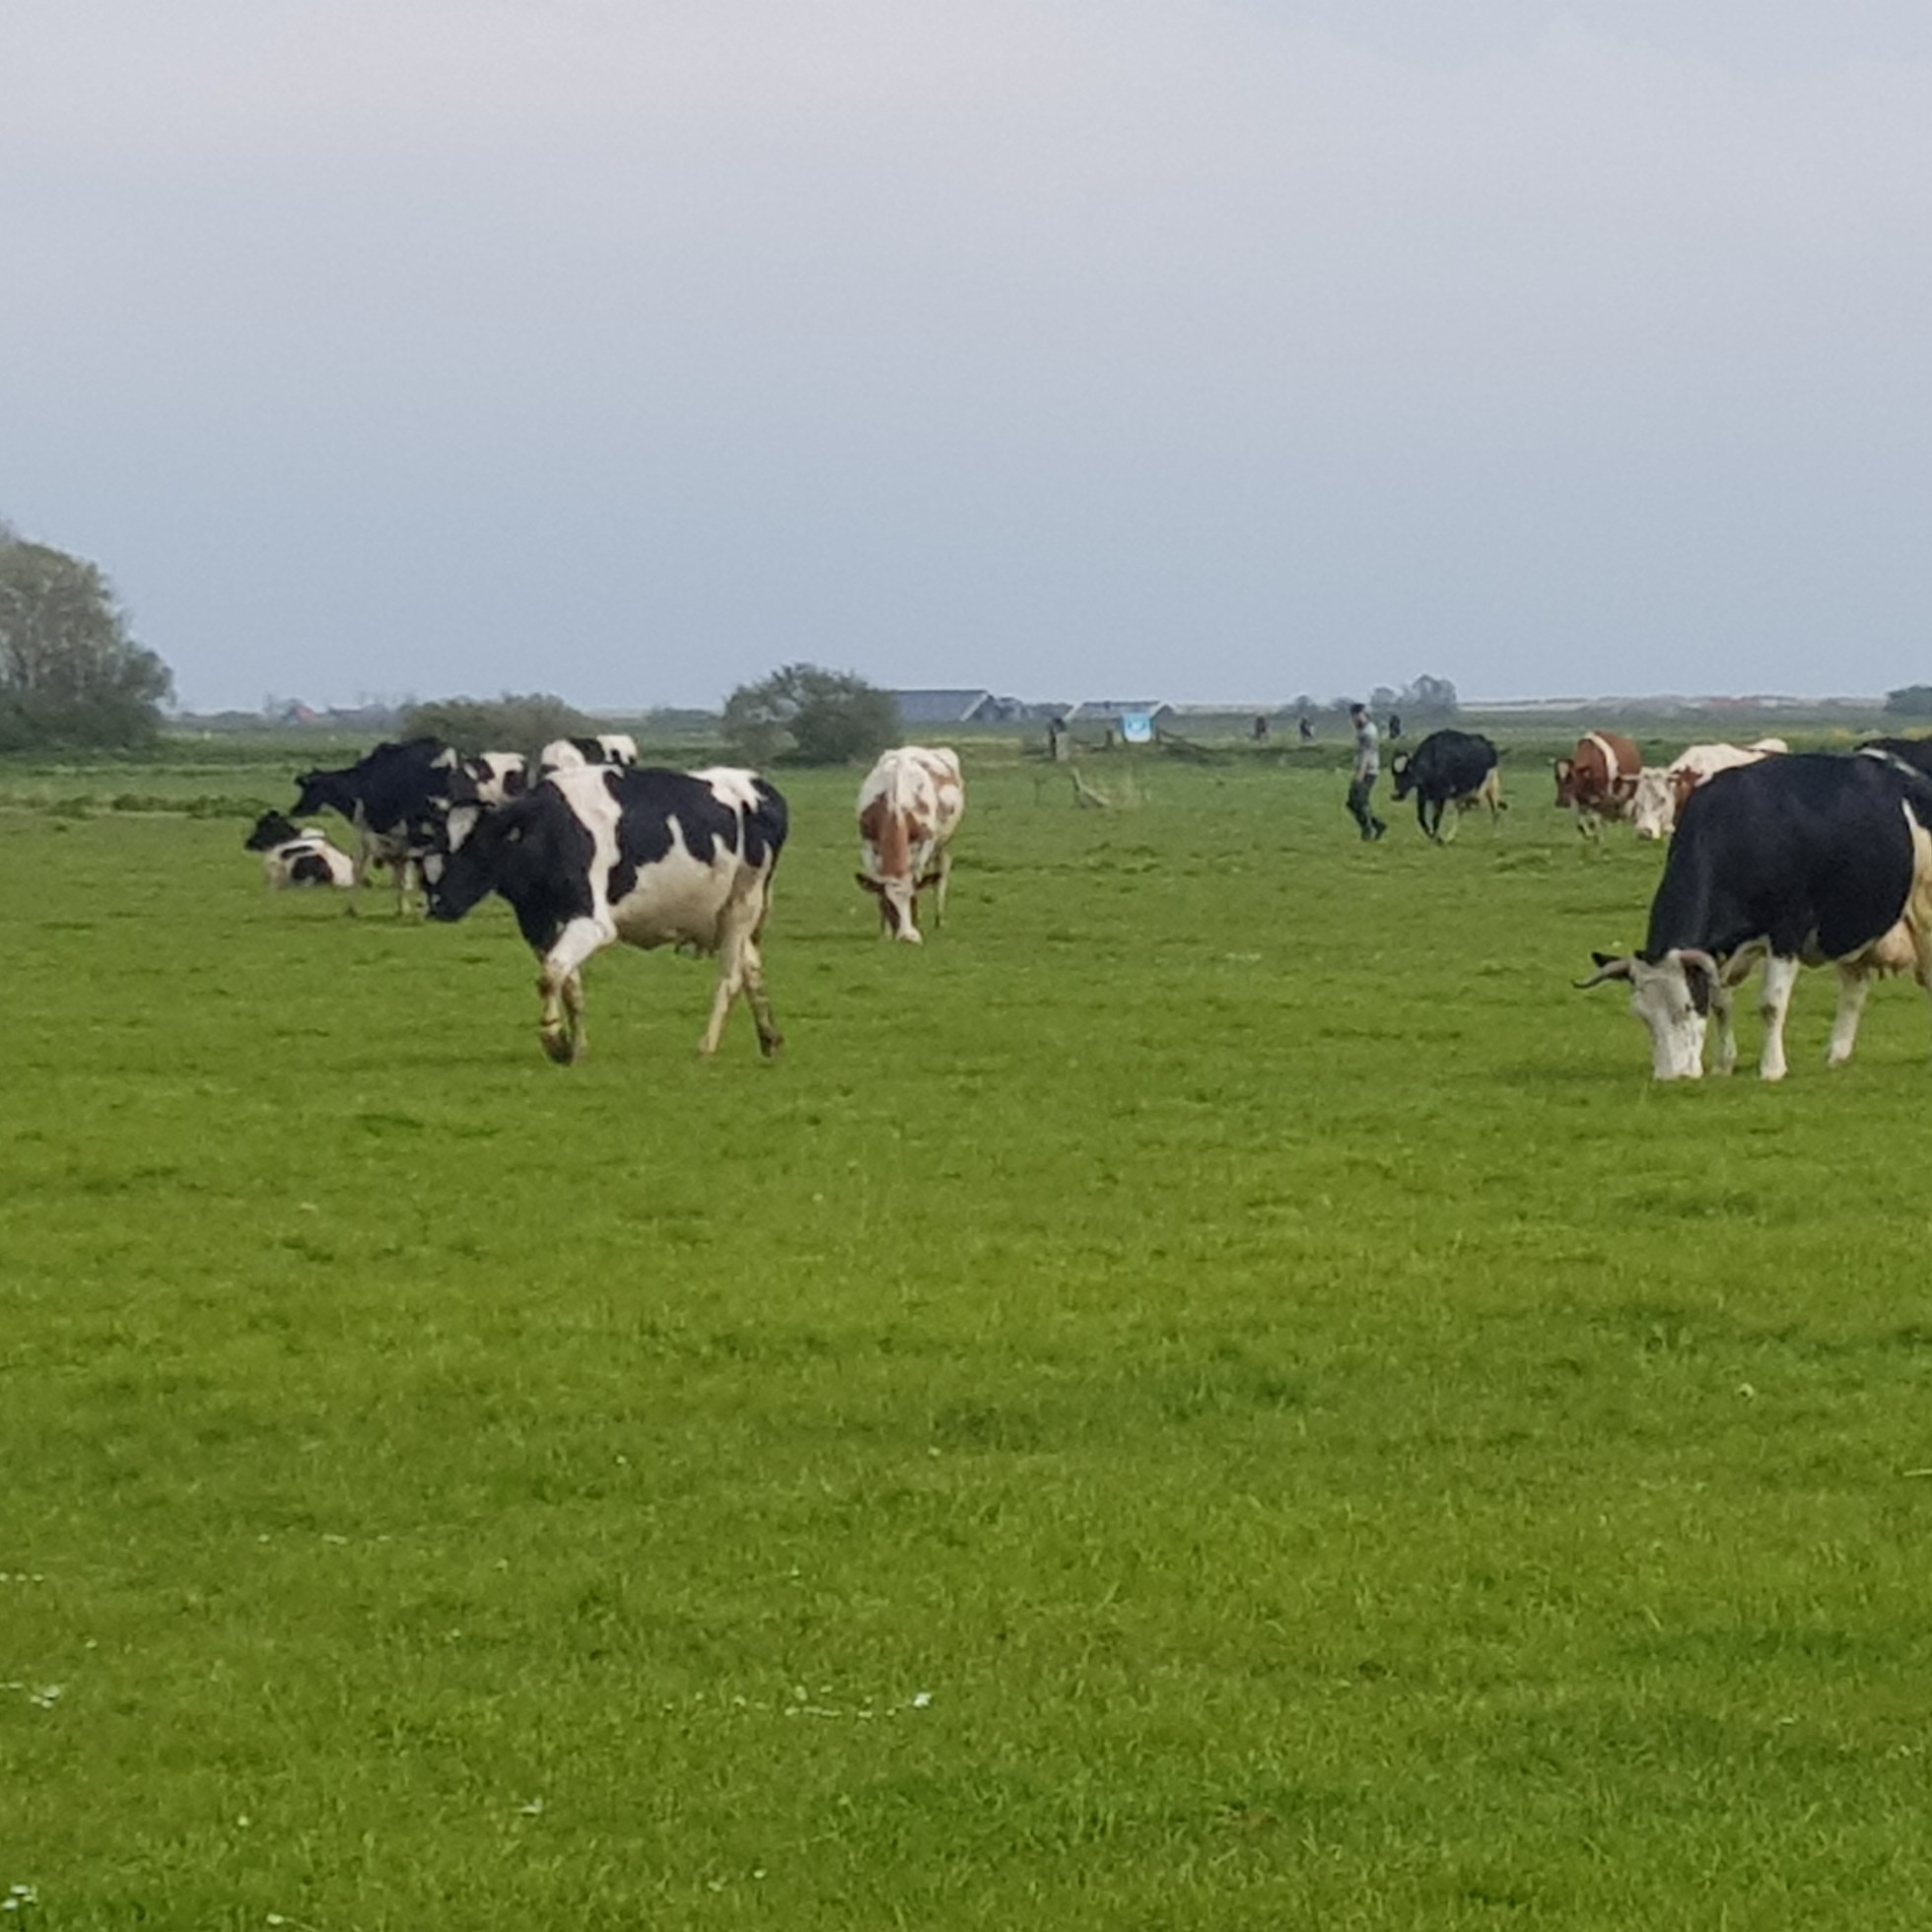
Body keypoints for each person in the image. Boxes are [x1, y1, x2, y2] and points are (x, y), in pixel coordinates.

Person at [1346, 702, 1387, 841]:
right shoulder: (1364, 729)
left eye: (1357, 716)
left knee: (1359, 801)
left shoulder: (1367, 732)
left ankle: (1367, 829)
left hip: (1368, 771)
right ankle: (1376, 824)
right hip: (1364, 769)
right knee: (1353, 802)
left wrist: (1360, 774)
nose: (1355, 719)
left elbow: (1366, 753)